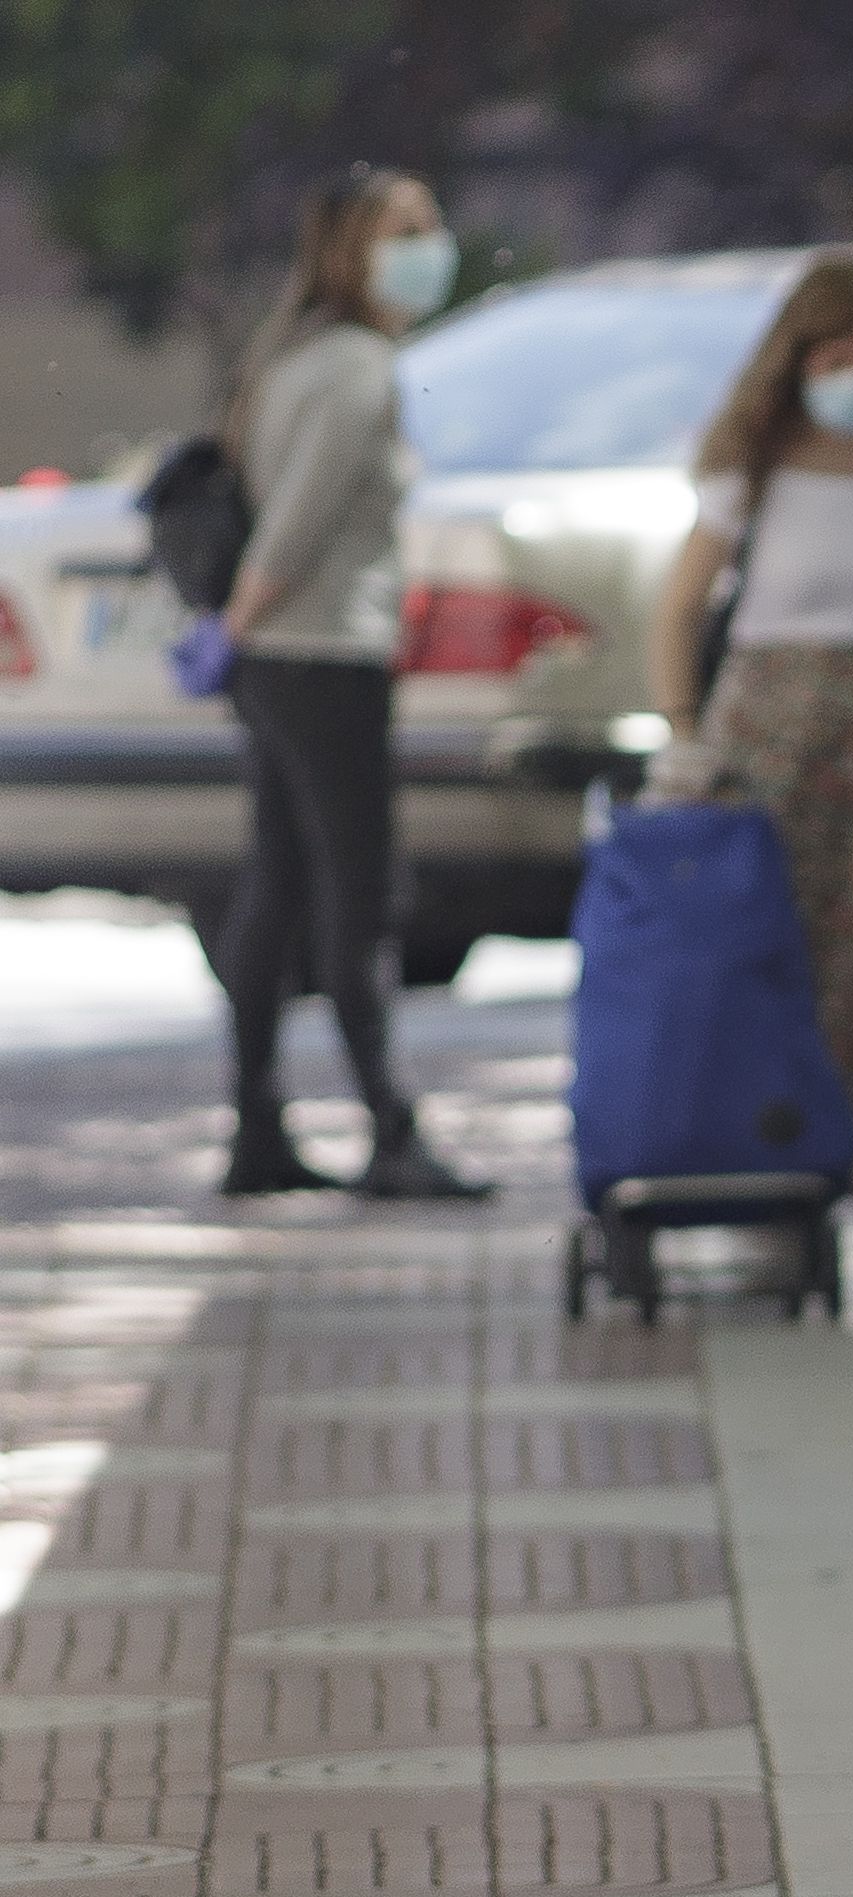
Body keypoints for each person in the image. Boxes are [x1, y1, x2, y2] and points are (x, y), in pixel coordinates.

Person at [649, 252, 853, 1311]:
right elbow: (677, 607)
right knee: (776, 962)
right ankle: (772, 1196)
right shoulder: (753, 462)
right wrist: (685, 736)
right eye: (839, 355)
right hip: (773, 730)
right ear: (797, 357)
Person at [214, 164, 489, 1201]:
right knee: (356, 892)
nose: (431, 246)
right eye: (406, 230)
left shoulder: (289, 360)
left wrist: (238, 639)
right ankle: (388, 1128)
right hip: (322, 652)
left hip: (283, 658)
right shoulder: (357, 368)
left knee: (279, 883)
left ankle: (257, 1126)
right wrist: (241, 621)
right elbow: (301, 519)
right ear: (352, 251)